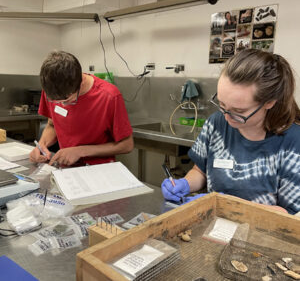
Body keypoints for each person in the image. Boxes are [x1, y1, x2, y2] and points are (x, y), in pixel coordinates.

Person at [162, 49, 300, 215]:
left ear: (269, 102)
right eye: (221, 105)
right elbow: (200, 171)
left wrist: (224, 205)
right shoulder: (216, 123)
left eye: (238, 111)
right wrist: (184, 184)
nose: (227, 117)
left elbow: (290, 214)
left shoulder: (293, 142)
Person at [30, 51, 134, 167]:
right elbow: (52, 125)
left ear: (81, 82)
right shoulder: (53, 90)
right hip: (66, 168)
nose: (62, 105)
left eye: (67, 100)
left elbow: (127, 144)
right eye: (55, 102)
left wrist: (80, 151)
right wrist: (42, 145)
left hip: (98, 170)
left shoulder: (109, 96)